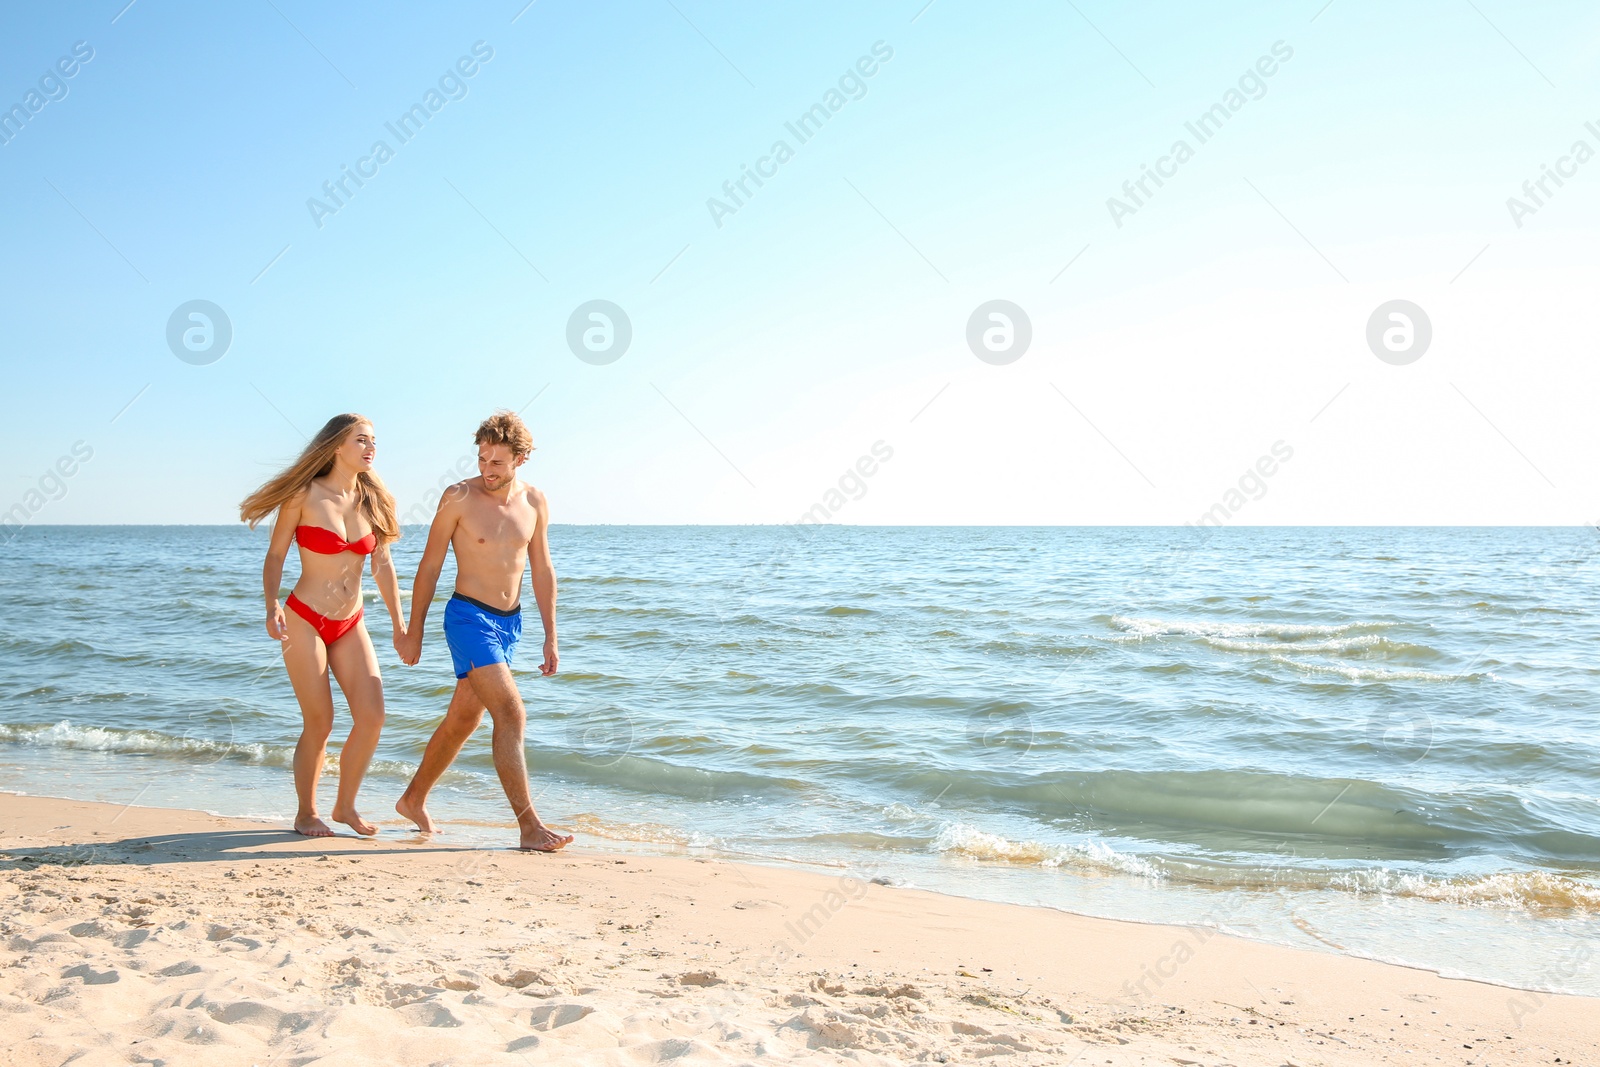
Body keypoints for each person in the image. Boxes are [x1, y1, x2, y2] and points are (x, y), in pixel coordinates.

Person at [395, 411, 572, 852]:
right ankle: (529, 826)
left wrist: (551, 635)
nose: (486, 471)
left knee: (463, 718)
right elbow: (430, 564)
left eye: (497, 463)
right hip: (467, 617)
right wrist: (412, 629)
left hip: (510, 622)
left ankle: (412, 799)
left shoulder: (535, 502)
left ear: (521, 458)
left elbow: (542, 568)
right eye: (481, 460)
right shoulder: (458, 497)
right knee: (511, 713)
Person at [239, 414, 405, 837]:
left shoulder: (373, 500)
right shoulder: (304, 495)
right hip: (304, 619)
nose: (371, 448)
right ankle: (305, 812)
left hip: (350, 622)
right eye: (361, 440)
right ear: (336, 446)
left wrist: (400, 626)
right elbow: (276, 555)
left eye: (374, 441)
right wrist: (271, 603)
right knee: (321, 721)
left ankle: (345, 807)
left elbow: (383, 567)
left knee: (372, 717)